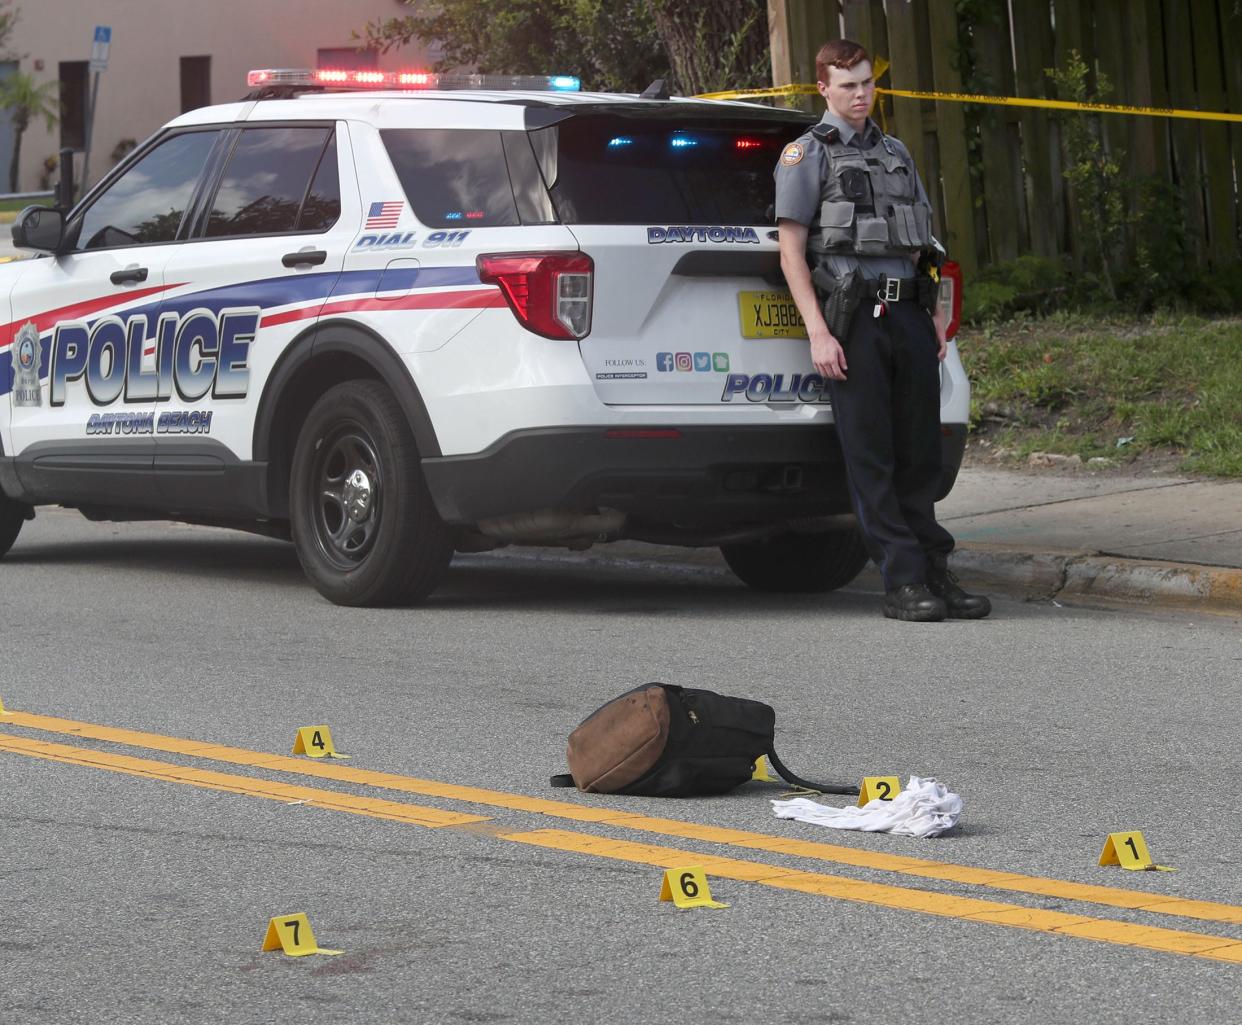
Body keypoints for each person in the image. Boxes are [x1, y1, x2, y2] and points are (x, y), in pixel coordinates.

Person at [774, 38, 990, 623]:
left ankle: (935, 572)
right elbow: (791, 252)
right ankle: (902, 581)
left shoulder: (895, 152)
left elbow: (926, 244)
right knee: (873, 456)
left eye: (867, 83)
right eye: (848, 85)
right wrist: (818, 333)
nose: (861, 94)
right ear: (823, 88)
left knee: (920, 452)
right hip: (855, 322)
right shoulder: (805, 156)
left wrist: (939, 318)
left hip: (910, 317)